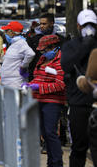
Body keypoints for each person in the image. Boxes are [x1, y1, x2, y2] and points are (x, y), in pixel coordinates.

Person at [61, 9, 97, 167]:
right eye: (85, 25)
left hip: (95, 102)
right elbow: (66, 65)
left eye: (92, 25)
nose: (88, 28)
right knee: (78, 148)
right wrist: (84, 46)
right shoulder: (71, 45)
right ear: (78, 26)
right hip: (79, 103)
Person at [23, 35, 66, 167]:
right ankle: (50, 163)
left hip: (52, 102)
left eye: (44, 50)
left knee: (50, 132)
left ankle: (57, 162)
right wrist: (30, 84)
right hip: (38, 100)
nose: (43, 53)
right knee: (44, 134)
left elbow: (60, 84)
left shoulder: (61, 60)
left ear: (53, 47)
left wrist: (39, 87)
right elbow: (37, 76)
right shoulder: (42, 59)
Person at [0, 21, 35, 88]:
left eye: (6, 31)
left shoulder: (21, 43)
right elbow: (9, 65)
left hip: (15, 83)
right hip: (8, 84)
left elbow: (31, 54)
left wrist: (23, 66)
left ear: (12, 32)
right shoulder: (13, 44)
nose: (5, 33)